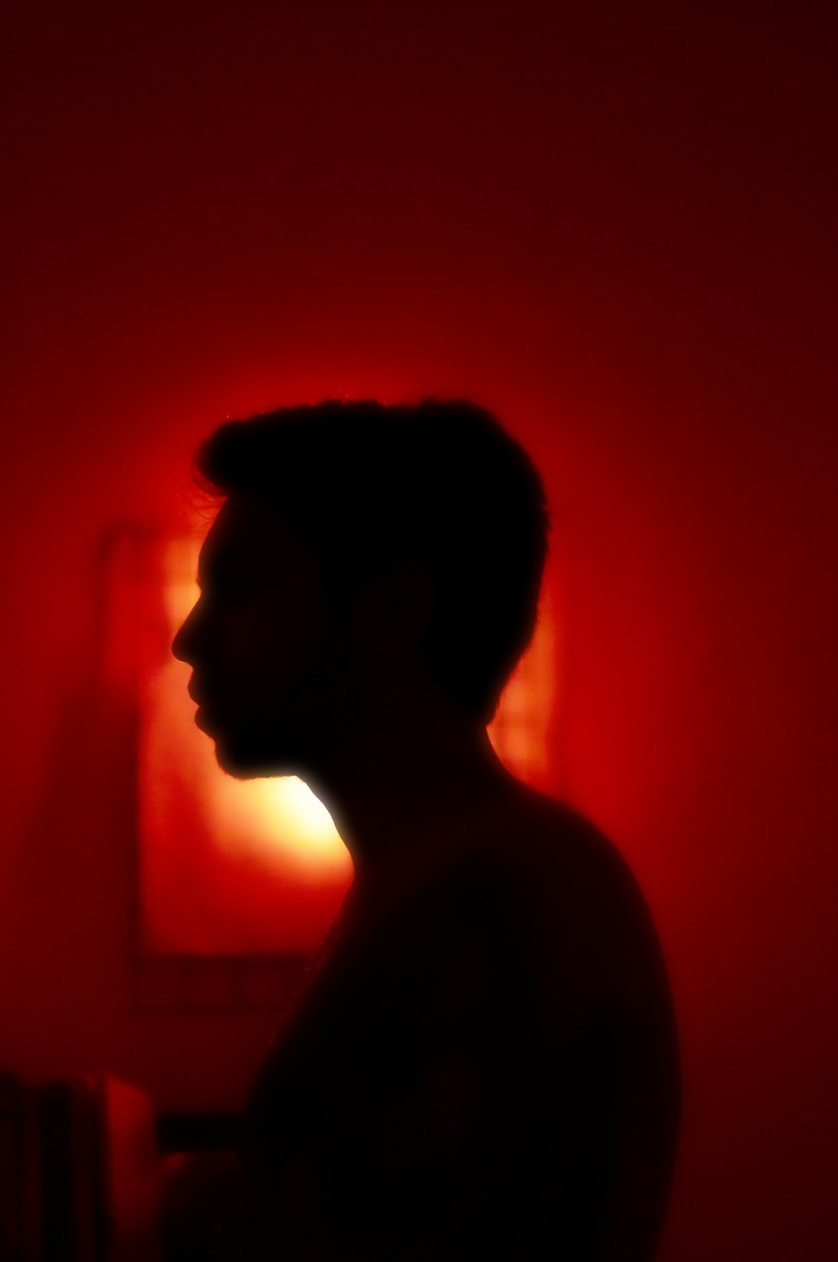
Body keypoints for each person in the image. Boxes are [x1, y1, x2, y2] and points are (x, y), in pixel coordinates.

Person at [172, 399, 680, 1260]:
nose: (190, 640)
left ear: (392, 612)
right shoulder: (480, 875)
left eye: (240, 589)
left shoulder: (485, 911)